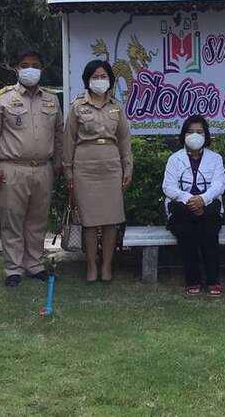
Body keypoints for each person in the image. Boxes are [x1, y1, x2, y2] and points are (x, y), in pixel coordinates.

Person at [0, 50, 63, 288]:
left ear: (41, 69)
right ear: (16, 68)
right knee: (12, 220)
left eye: (35, 65)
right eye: (25, 65)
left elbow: (59, 134)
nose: (30, 69)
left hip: (43, 168)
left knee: (38, 221)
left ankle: (34, 265)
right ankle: (13, 269)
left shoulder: (51, 99)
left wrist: (59, 163)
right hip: (12, 168)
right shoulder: (2, 98)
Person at [63, 60, 133, 283]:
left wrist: (127, 168)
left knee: (111, 220)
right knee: (90, 221)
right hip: (85, 168)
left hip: (111, 167)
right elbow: (68, 141)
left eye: (104, 76)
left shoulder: (116, 107)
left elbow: (124, 140)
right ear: (87, 80)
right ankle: (91, 266)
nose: (100, 80)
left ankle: (107, 266)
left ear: (110, 80)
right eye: (95, 76)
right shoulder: (77, 106)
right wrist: (68, 173)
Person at [162, 115, 225, 296]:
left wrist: (202, 200)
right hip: (183, 209)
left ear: (206, 135)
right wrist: (190, 199)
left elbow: (219, 185)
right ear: (184, 135)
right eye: (190, 132)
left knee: (209, 229)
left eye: (199, 132)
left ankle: (213, 280)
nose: (195, 135)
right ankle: (193, 280)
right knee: (186, 230)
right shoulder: (174, 159)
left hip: (208, 209)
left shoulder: (215, 158)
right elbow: (168, 187)